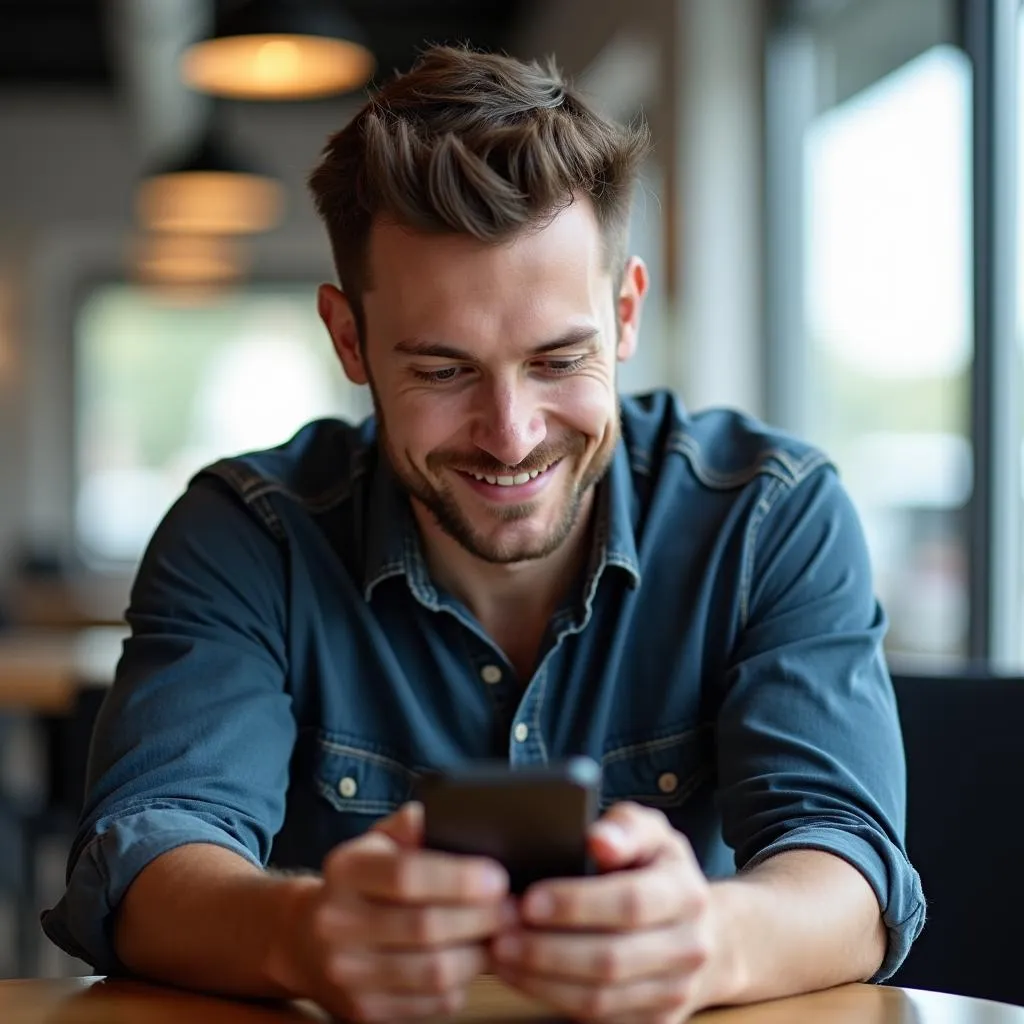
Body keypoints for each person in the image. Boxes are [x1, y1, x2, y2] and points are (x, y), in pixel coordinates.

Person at [43, 45, 924, 1023]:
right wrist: (300, 931)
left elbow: (848, 865)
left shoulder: (769, 515)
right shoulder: (245, 534)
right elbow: (144, 852)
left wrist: (707, 940)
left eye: (557, 360)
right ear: (349, 340)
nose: (511, 435)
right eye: (442, 371)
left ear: (624, 311)